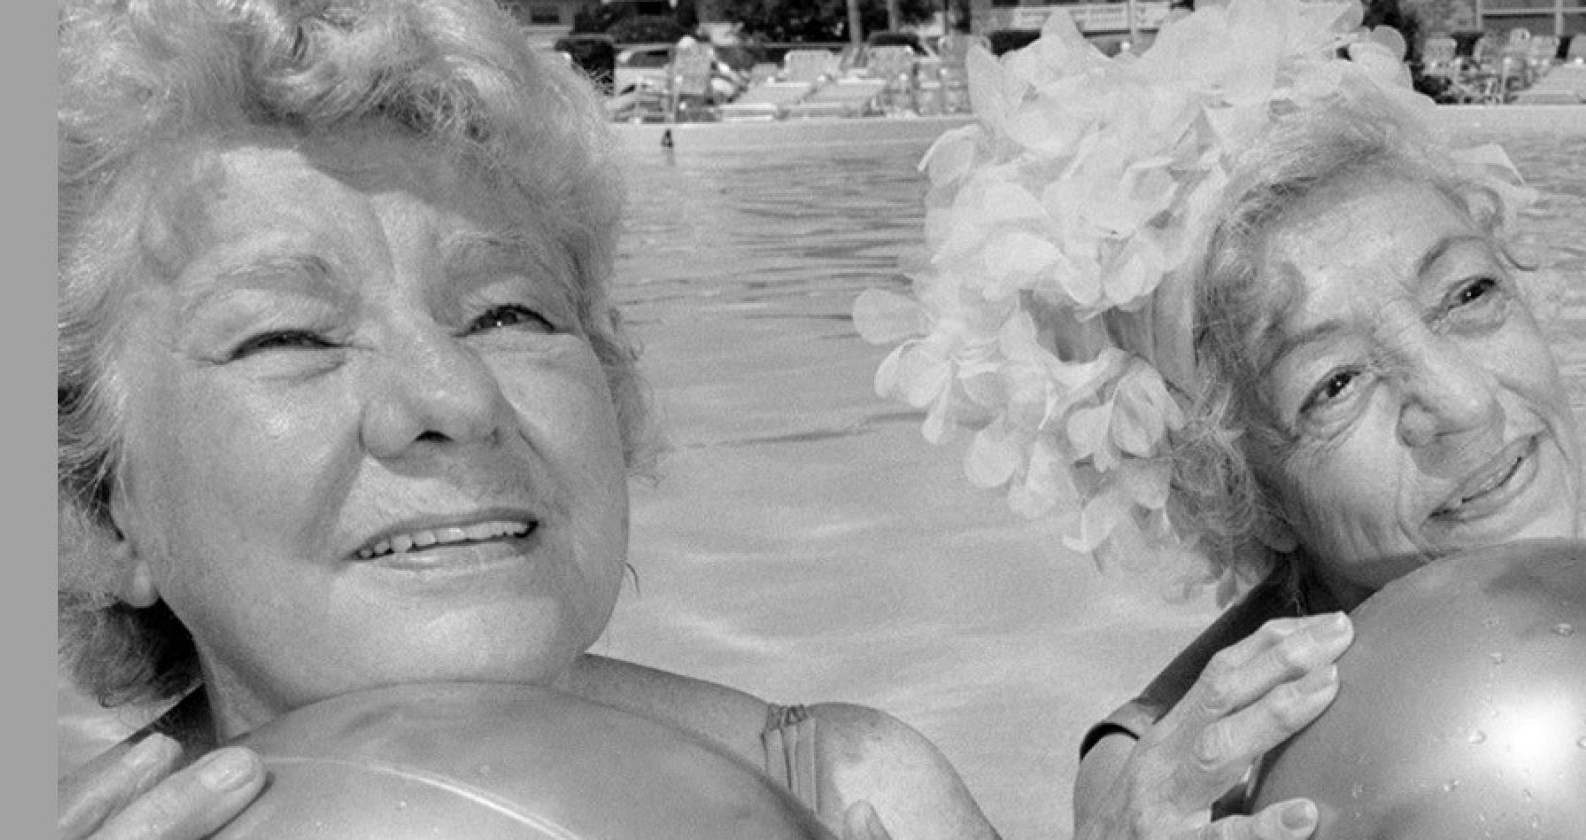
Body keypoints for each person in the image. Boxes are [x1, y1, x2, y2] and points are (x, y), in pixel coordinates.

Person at [856, 3, 1586, 839]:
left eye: (1468, 296)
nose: (1459, 404)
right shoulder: (1181, 772)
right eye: (1334, 386)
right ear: (1241, 486)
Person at [53, 1, 998, 837]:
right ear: (99, 511)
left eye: (509, 314)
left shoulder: (855, 790)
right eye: (289, 336)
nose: (455, 397)